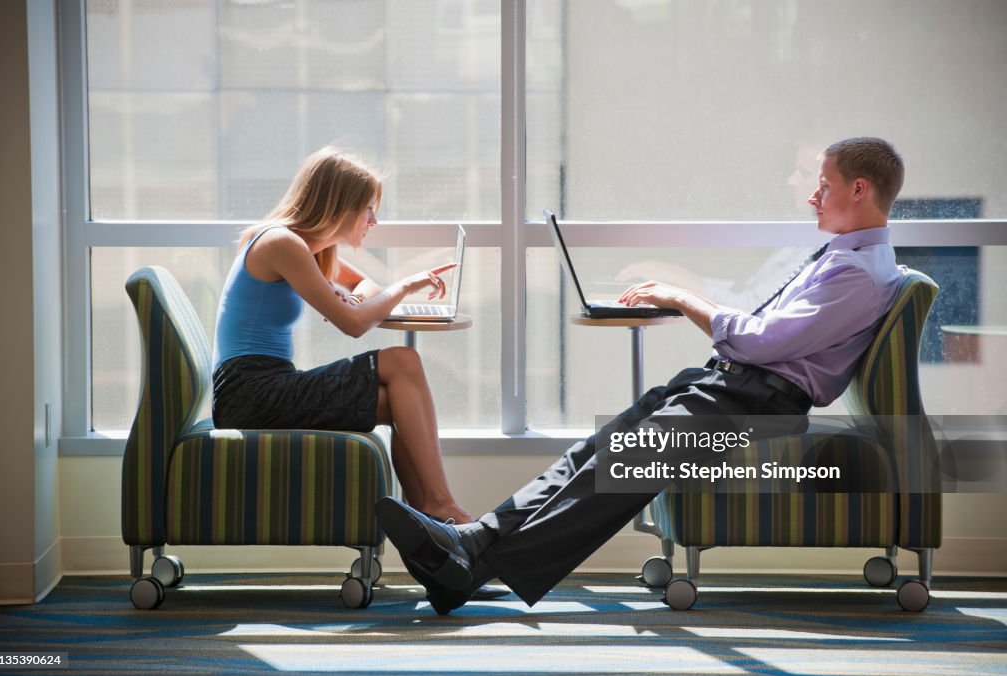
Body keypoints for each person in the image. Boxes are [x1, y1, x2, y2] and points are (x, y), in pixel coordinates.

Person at [376, 136, 909, 614]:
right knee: (593, 452)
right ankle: (471, 545)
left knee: (619, 467)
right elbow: (763, 325)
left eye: (824, 185)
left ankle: (469, 565)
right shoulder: (839, 258)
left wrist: (680, 297)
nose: (813, 196)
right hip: (733, 386)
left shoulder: (856, 273)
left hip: (760, 400)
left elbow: (759, 340)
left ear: (859, 189)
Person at [211, 146, 472, 525]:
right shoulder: (282, 243)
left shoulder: (312, 248)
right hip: (249, 391)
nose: (374, 221)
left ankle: (430, 527)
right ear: (340, 206)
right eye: (368, 209)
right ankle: (442, 505)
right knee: (403, 360)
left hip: (266, 384)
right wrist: (402, 288)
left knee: (399, 402)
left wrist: (349, 296)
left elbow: (362, 287)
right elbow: (353, 325)